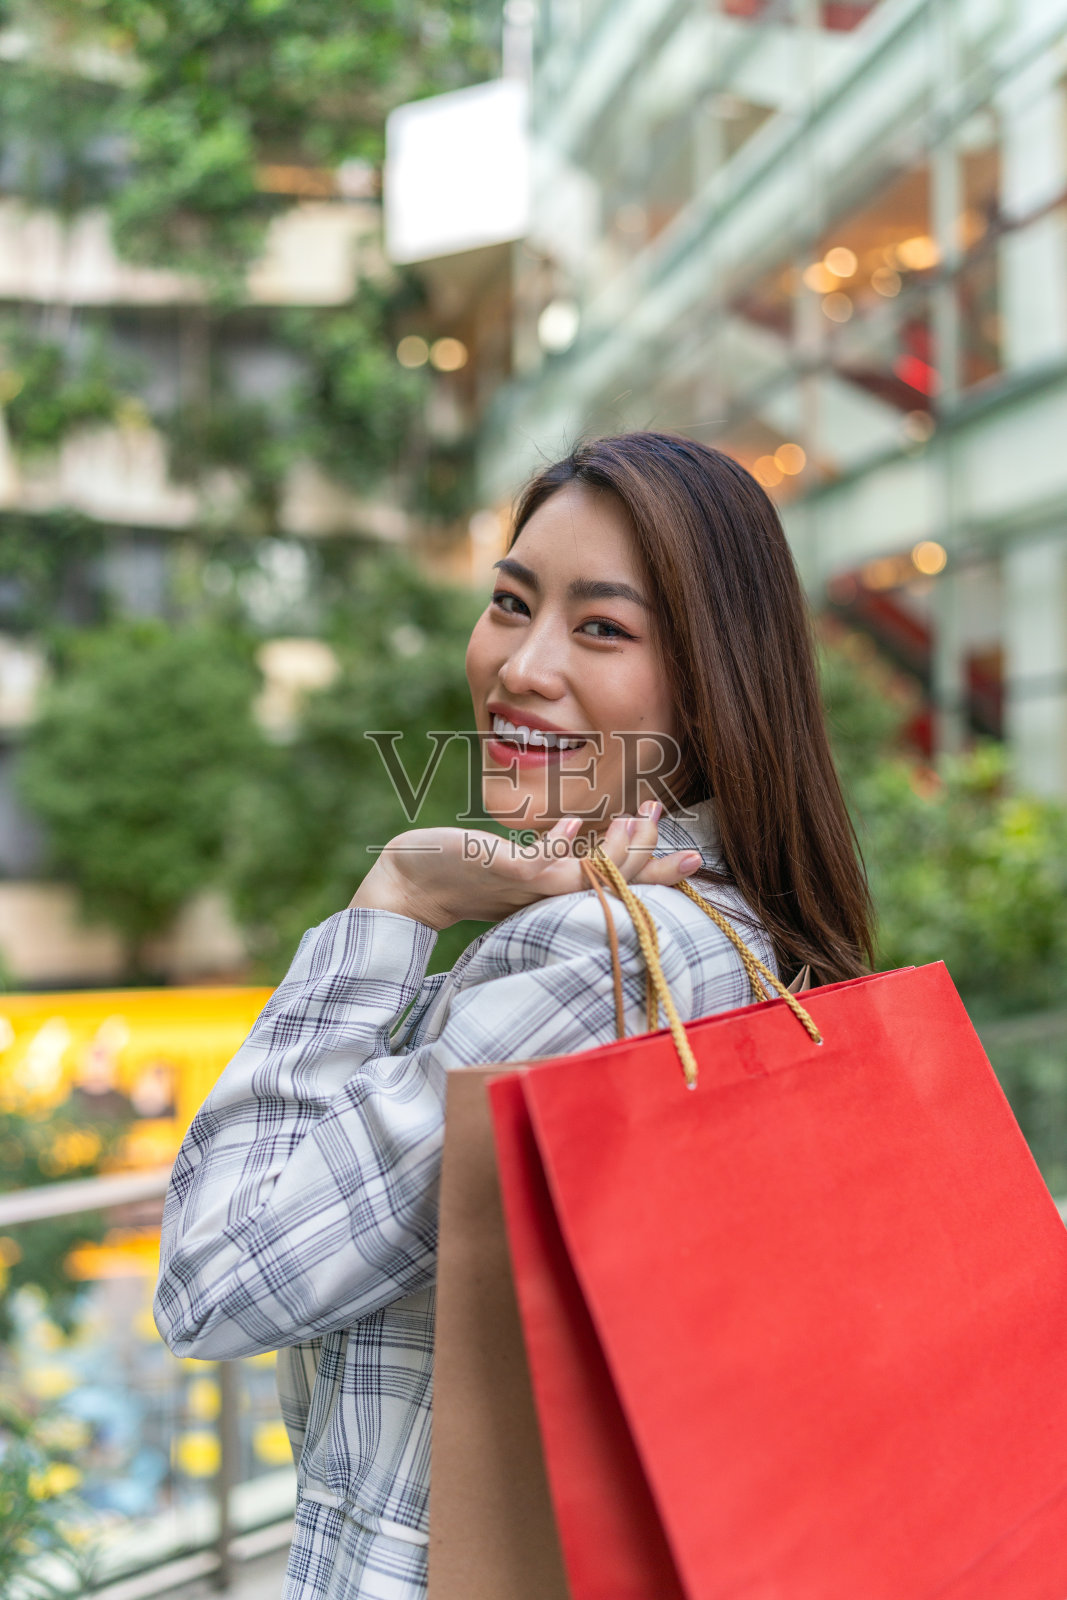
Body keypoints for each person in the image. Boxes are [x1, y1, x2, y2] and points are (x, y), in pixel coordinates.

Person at [154, 431, 872, 1600]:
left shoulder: (601, 954)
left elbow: (214, 1282)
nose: (520, 666)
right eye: (508, 601)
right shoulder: (747, 933)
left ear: (711, 680)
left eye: (601, 626)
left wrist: (392, 900)